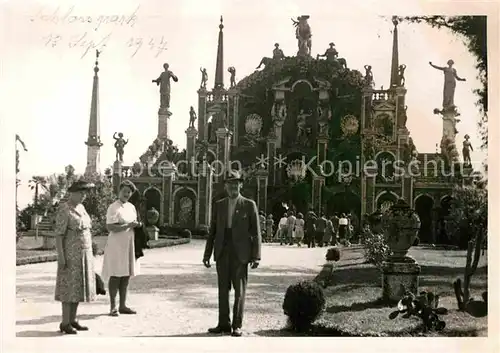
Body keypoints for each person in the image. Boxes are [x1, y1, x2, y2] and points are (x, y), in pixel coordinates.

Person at [203, 170, 262, 337]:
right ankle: (223, 324)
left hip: (241, 253)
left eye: (236, 183)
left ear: (241, 185)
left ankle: (237, 325)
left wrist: (256, 255)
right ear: (225, 186)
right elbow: (212, 231)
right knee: (223, 289)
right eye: (230, 184)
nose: (233, 186)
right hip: (222, 250)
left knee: (239, 290)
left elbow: (256, 232)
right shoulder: (219, 204)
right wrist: (207, 254)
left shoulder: (249, 205)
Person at [54, 180, 96, 334]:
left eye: (84, 193)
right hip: (70, 254)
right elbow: (59, 235)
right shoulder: (65, 209)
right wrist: (61, 257)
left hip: (83, 254)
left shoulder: (82, 208)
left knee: (78, 287)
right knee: (68, 287)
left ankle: (73, 320)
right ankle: (65, 322)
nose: (83, 196)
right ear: (71, 193)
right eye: (80, 193)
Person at [101, 180, 142, 317]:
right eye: (124, 191)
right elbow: (110, 227)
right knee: (116, 274)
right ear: (119, 191)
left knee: (126, 274)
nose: (127, 194)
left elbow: (133, 224)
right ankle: (113, 306)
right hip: (116, 244)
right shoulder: (113, 207)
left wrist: (137, 225)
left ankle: (123, 305)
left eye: (129, 192)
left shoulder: (131, 207)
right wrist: (128, 225)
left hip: (129, 243)